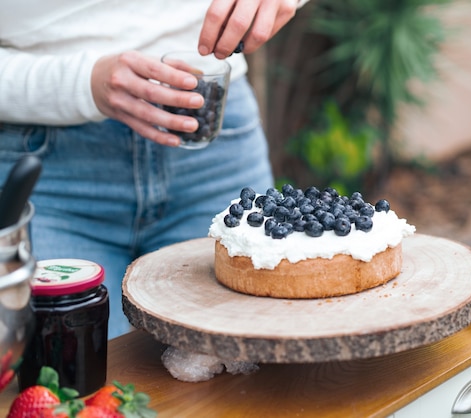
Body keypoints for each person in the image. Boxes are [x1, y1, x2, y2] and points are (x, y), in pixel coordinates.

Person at [0, 0, 310, 338]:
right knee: (72, 380)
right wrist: (78, 85)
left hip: (216, 148)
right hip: (48, 177)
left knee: (251, 373)